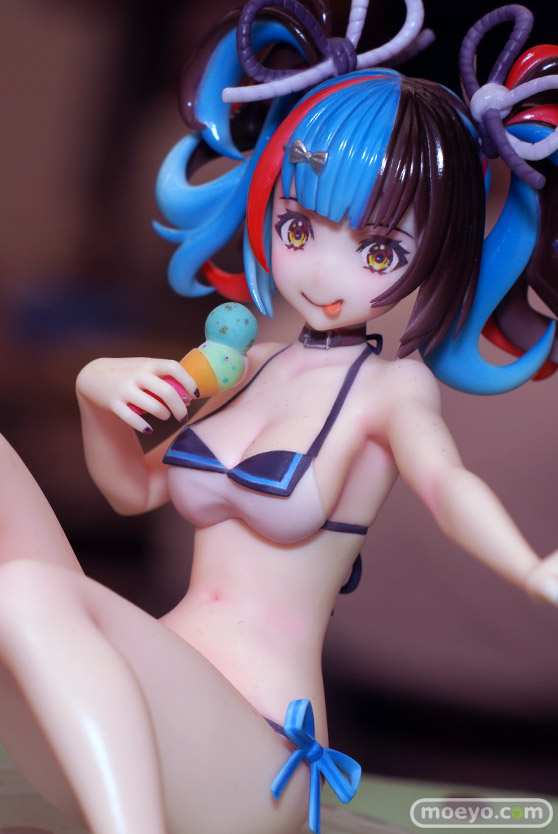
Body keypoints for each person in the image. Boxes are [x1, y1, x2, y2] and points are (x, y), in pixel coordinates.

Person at [0, 3, 557, 834]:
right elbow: (132, 493)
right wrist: (95, 394)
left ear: (438, 256)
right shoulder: (249, 364)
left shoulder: (390, 391)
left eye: (379, 251)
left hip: (257, 747)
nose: (324, 274)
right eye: (300, 229)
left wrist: (533, 569)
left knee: (26, 592)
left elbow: (447, 487)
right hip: (148, 708)